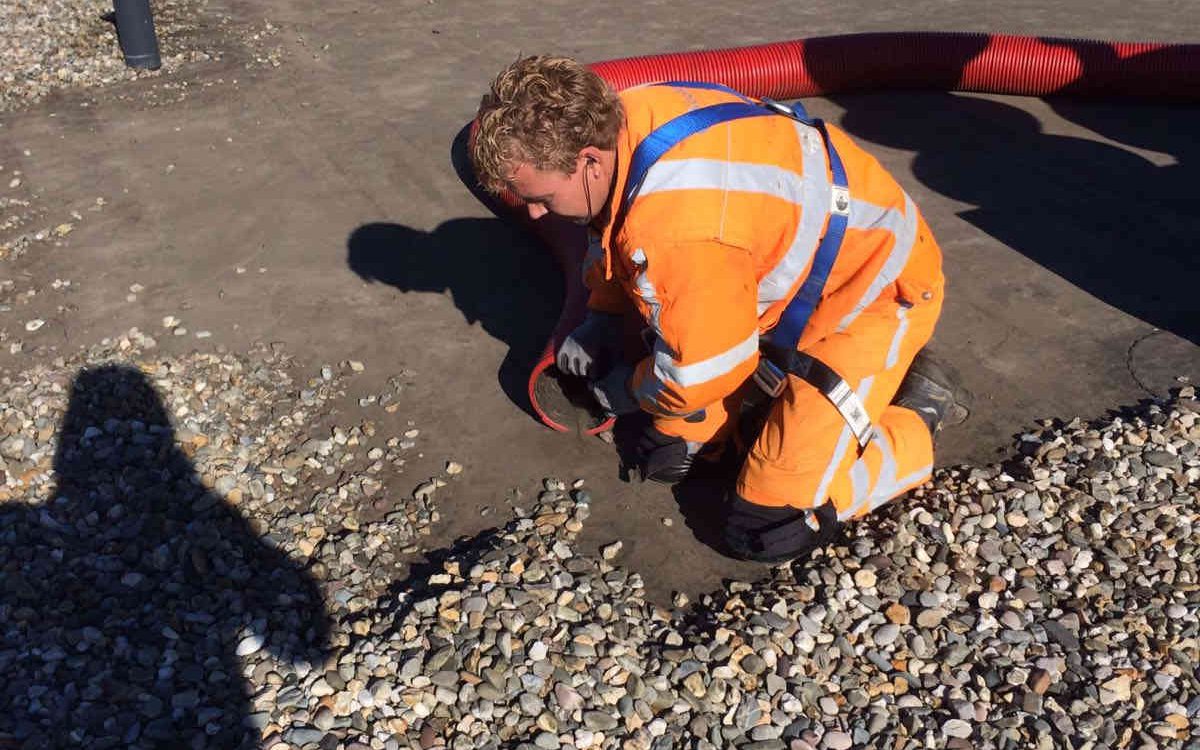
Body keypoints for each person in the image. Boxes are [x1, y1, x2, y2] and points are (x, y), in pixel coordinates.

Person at [471, 55, 963, 563]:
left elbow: (700, 371)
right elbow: (613, 228)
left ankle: (915, 413)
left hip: (870, 294)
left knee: (769, 526)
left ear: (590, 160)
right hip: (783, 274)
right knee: (671, 455)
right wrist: (603, 312)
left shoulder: (677, 228)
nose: (533, 212)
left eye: (542, 198)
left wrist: (623, 390)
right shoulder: (627, 120)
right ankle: (799, 399)